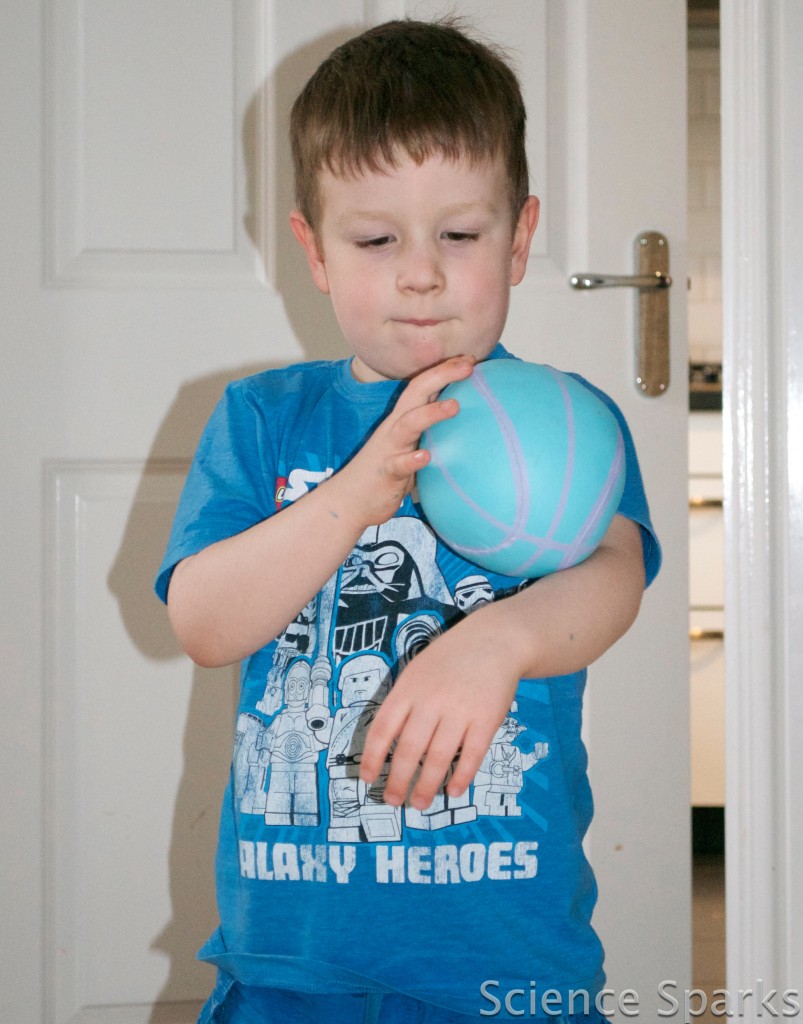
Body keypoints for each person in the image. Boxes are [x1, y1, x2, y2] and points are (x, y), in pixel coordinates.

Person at [155, 17, 661, 1024]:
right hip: (289, 961)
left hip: (502, 956)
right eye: (376, 239)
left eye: (459, 235)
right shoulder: (263, 420)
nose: (419, 273)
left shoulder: (566, 421)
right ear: (314, 252)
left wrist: (496, 644)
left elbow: (612, 573)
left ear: (519, 238)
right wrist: (350, 494)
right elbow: (203, 623)